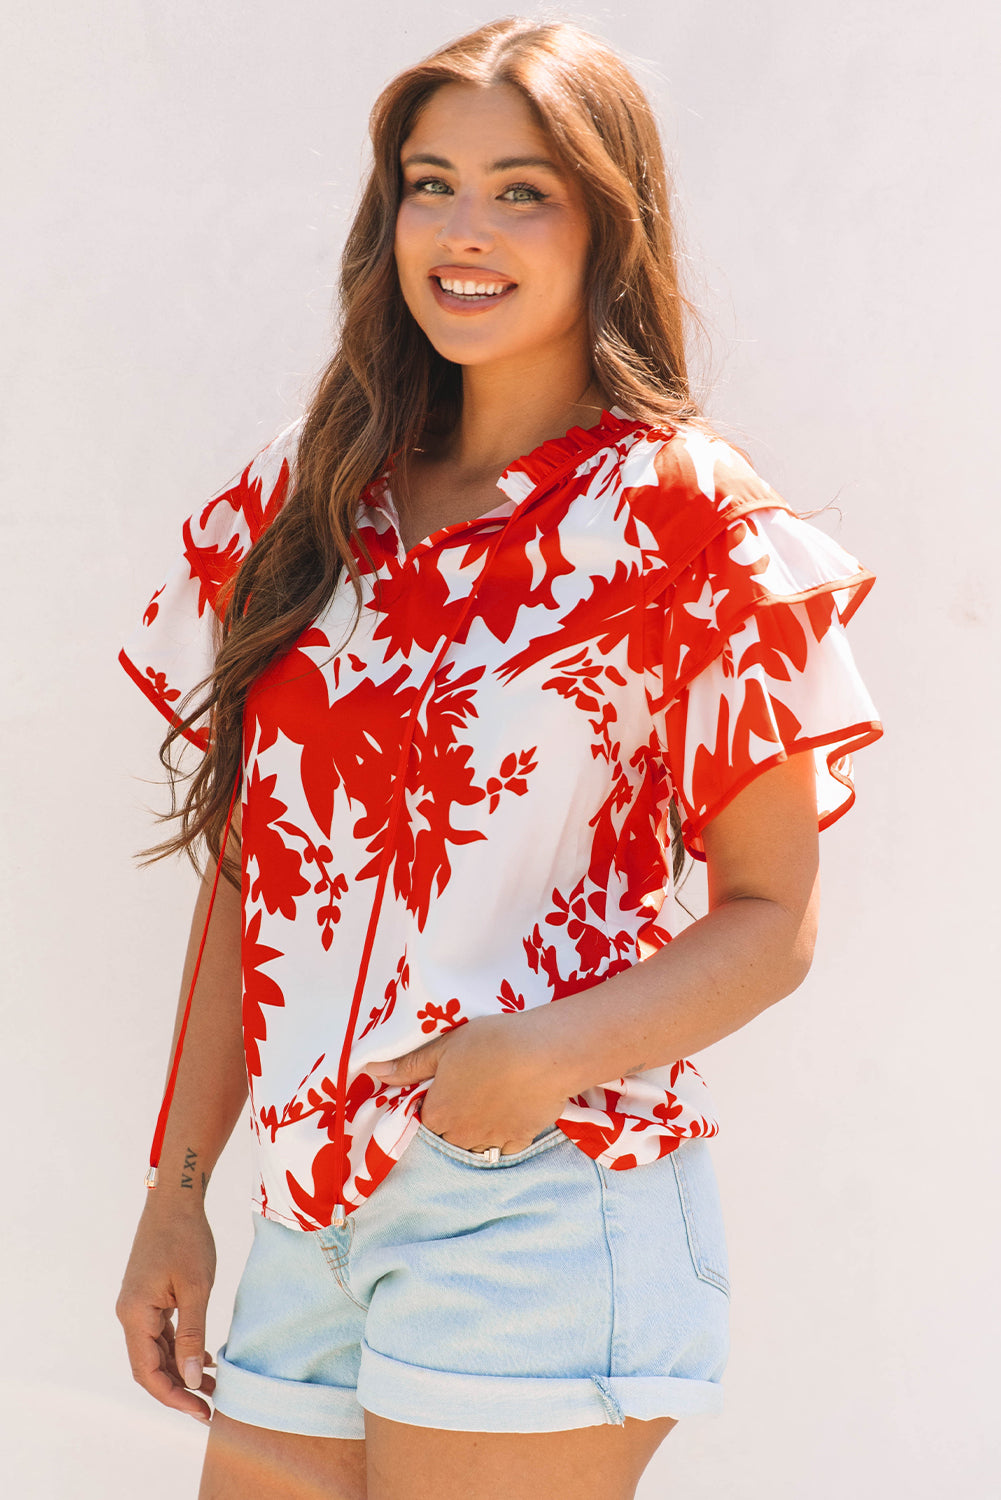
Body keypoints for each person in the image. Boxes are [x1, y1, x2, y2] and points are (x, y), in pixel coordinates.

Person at [114, 16, 883, 1500]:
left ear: (609, 222)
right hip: (308, 1209)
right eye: (429, 182)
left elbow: (770, 917)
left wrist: (531, 1056)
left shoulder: (679, 518)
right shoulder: (309, 489)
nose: (463, 232)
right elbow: (251, 880)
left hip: (535, 1194)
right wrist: (180, 1190)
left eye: (521, 191)